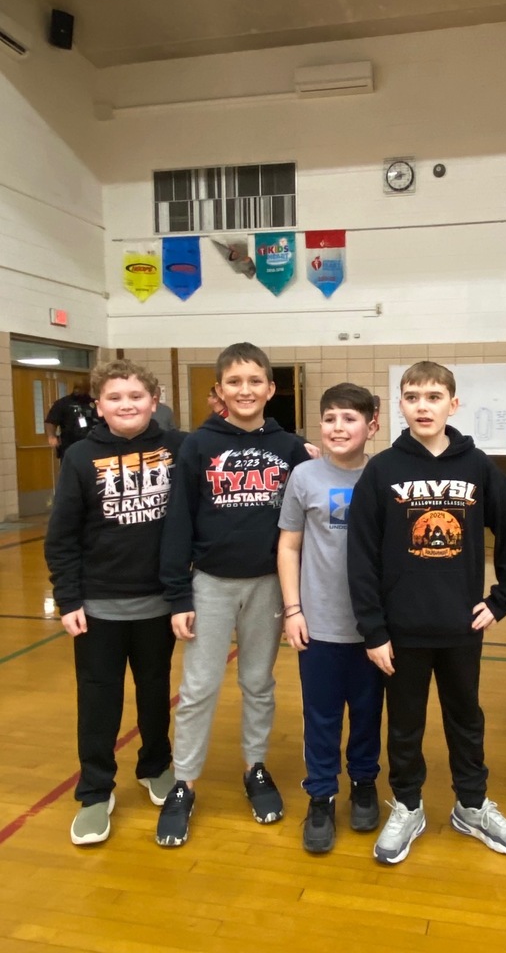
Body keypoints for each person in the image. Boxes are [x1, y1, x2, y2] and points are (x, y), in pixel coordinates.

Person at [347, 361, 506, 864]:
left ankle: (471, 804)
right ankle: (407, 805)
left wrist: (503, 600)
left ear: (454, 403)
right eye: (412, 397)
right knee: (403, 724)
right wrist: (373, 629)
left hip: (460, 626)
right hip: (400, 631)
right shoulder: (382, 470)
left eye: (433, 396)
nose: (423, 406)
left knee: (465, 719)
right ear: (399, 406)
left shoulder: (478, 469)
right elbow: (360, 556)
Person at [155, 342, 312, 847]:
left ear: (270, 388)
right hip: (209, 585)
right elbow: (177, 521)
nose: (245, 390)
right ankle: (184, 783)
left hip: (268, 586)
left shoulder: (290, 447)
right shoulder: (198, 445)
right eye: (234, 382)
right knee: (198, 688)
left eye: (254, 381)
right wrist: (178, 594)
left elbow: (303, 528)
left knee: (258, 683)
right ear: (218, 390)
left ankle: (256, 768)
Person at [44, 359, 185, 845]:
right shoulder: (81, 457)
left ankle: (154, 766)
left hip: (158, 604)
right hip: (99, 606)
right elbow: (60, 535)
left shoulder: (177, 447)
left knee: (154, 692)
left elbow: (230, 449)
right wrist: (68, 599)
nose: (126, 405)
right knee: (99, 700)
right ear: (99, 405)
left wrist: (303, 450)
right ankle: (95, 790)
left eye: (136, 396)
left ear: (154, 399)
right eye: (115, 397)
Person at [277, 383, 383, 854]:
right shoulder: (304, 476)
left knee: (366, 713)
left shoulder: (383, 475)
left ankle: (363, 783)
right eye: (330, 418)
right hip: (317, 623)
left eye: (350, 418)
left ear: (372, 426)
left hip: (373, 628)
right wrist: (293, 609)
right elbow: (289, 545)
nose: (338, 428)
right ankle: (320, 795)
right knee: (320, 716)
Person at [44, 379, 100, 458]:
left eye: (81, 388)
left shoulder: (94, 403)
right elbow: (51, 421)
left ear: (88, 389)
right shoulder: (63, 403)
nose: (77, 390)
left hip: (93, 444)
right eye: (76, 388)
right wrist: (51, 436)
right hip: (69, 444)